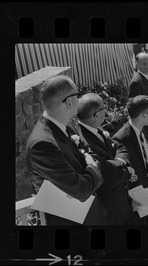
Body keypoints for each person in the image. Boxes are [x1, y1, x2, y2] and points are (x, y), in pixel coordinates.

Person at [25, 75, 107, 225]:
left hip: (91, 214)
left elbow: (91, 152)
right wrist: (92, 167)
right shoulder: (42, 144)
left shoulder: (66, 125)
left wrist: (90, 164)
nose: (79, 99)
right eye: (78, 95)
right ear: (69, 102)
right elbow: (81, 189)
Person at [76, 93, 134, 225]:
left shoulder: (94, 129)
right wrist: (128, 170)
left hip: (121, 205)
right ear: (96, 116)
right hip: (110, 211)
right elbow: (109, 176)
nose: (106, 111)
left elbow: (120, 147)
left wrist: (120, 161)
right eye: (104, 108)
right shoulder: (85, 142)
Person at [113, 95, 148, 225]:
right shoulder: (121, 138)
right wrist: (127, 201)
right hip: (135, 194)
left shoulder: (147, 126)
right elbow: (118, 173)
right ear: (144, 115)